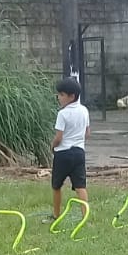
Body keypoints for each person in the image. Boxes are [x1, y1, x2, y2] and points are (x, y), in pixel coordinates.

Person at [51, 76, 90, 220]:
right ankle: (85, 216)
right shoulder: (84, 110)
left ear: (72, 96)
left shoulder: (62, 114)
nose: (59, 97)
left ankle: (56, 215)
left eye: (62, 95)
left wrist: (52, 146)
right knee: (80, 186)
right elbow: (87, 133)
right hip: (79, 153)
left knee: (56, 185)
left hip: (63, 154)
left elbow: (58, 138)